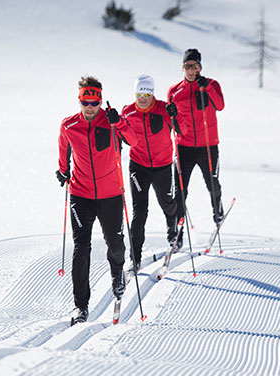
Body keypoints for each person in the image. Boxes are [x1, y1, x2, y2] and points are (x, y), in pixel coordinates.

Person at [56, 75, 137, 325]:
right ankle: (80, 306)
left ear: (100, 100)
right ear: (79, 100)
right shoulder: (68, 126)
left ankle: (117, 273)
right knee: (82, 248)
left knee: (116, 244)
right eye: (85, 101)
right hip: (81, 195)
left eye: (94, 102)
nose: (90, 107)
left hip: (111, 194)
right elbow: (63, 153)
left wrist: (121, 123)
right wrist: (62, 171)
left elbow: (134, 141)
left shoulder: (112, 122)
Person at [120, 75, 179, 276]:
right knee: (140, 212)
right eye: (140, 94)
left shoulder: (164, 109)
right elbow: (123, 137)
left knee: (167, 202)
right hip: (139, 167)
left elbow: (183, 131)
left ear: (153, 93)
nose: (143, 98)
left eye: (147, 94)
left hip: (163, 166)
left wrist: (175, 117)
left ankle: (173, 231)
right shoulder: (127, 112)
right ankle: (134, 258)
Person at [166, 48, 225, 248]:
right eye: (188, 66)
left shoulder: (212, 84)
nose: (191, 70)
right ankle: (178, 232)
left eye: (195, 66)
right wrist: (171, 115)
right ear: (182, 68)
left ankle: (218, 209)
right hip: (184, 147)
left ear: (200, 67)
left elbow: (220, 105)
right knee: (180, 191)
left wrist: (206, 87)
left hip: (208, 146)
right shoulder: (174, 91)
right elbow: (172, 122)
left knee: (213, 184)